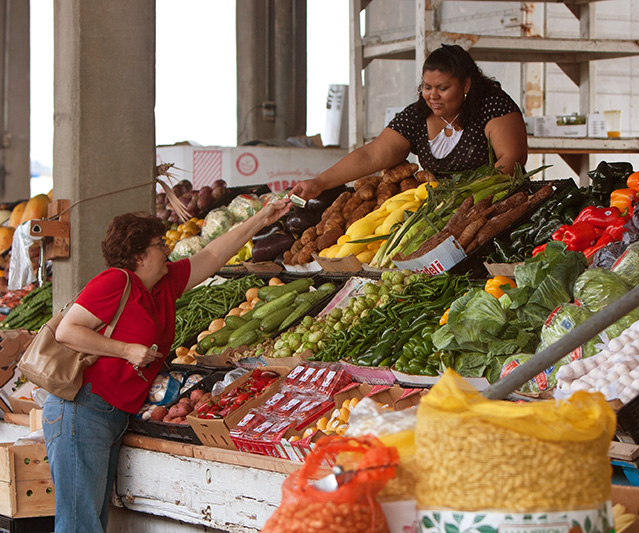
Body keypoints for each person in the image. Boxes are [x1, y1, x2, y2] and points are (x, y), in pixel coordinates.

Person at [41, 198, 290, 533]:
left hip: (113, 412)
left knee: (92, 518)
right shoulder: (114, 282)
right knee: (78, 522)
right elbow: (68, 330)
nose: (167, 249)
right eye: (159, 245)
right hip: (82, 410)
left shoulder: (164, 283)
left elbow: (214, 254)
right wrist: (125, 349)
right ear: (138, 255)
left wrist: (262, 218)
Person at [292, 43, 528, 200]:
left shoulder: (492, 105)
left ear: (466, 85)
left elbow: (512, 159)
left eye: (443, 88)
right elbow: (373, 154)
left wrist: (468, 197)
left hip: (499, 206)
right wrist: (320, 182)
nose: (432, 95)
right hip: (441, 214)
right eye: (427, 87)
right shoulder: (417, 116)